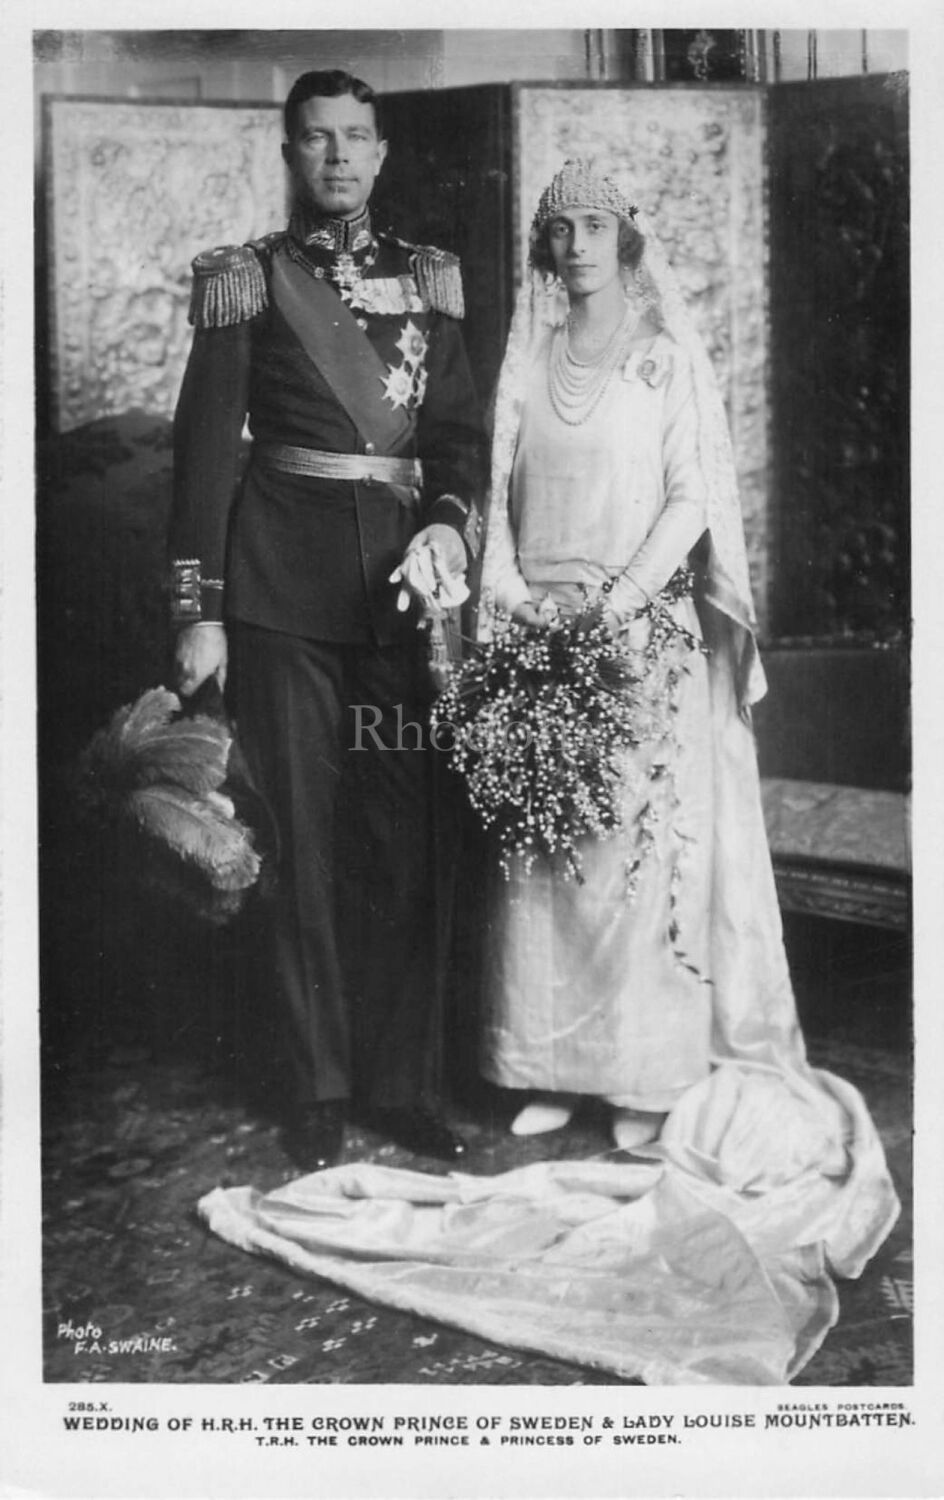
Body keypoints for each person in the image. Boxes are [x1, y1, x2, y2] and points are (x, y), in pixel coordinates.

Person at [477, 159, 832, 1150]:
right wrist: (509, 603)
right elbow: (494, 494)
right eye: (559, 229)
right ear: (543, 248)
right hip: (536, 637)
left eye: (593, 225)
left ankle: (640, 1074)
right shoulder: (526, 363)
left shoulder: (662, 362)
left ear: (622, 238)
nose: (576, 243)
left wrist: (620, 603)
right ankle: (551, 1067)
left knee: (625, 862)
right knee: (545, 859)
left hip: (635, 634)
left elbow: (692, 500)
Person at [168, 70, 487, 1171]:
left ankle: (401, 1083)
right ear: (290, 153)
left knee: (405, 843)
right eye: (317, 139)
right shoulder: (248, 281)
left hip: (401, 604)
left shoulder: (428, 281)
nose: (338, 158)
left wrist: (448, 527)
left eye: (356, 138)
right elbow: (206, 451)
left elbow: (453, 442)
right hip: (280, 598)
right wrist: (197, 609)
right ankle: (314, 1084)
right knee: (300, 843)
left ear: (383, 151)